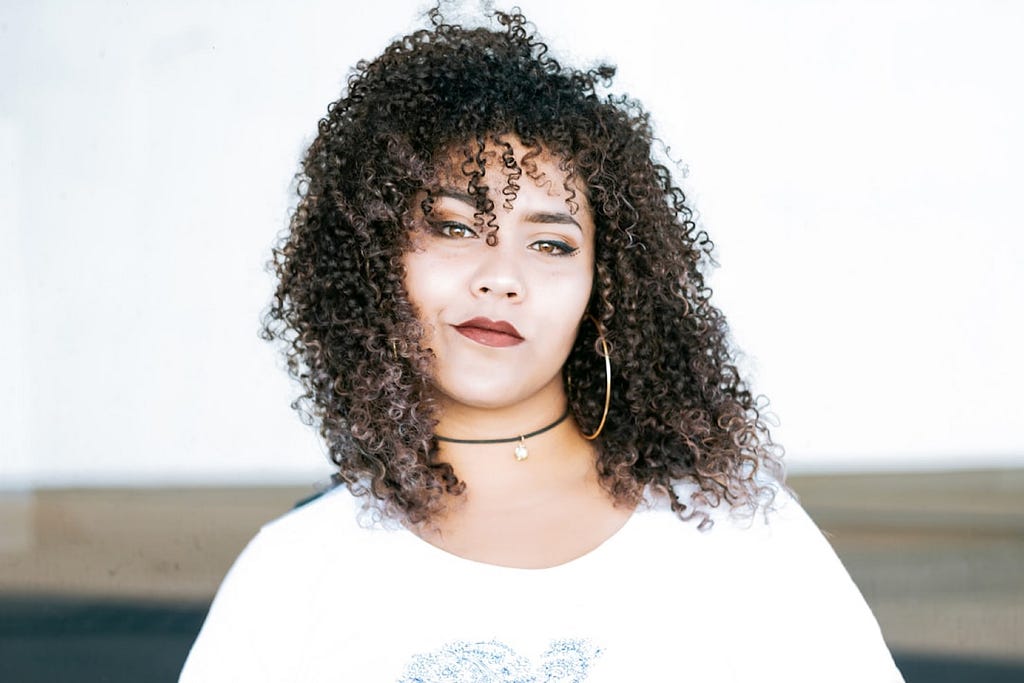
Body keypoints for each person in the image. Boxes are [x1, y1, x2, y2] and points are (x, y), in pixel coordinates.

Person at [180, 6, 904, 681]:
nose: (502, 278)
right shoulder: (294, 574)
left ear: (606, 290)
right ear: (376, 258)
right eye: (456, 228)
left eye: (552, 244)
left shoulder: (744, 536)